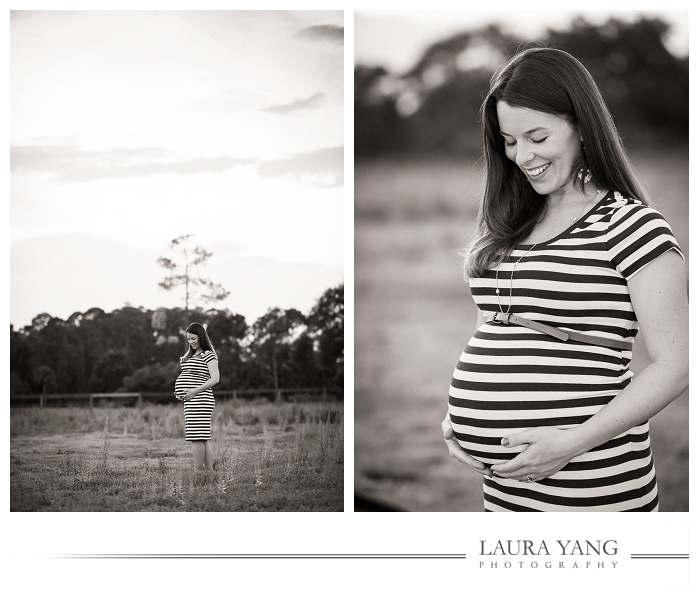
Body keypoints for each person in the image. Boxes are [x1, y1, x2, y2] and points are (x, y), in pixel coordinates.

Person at [441, 47, 688, 512]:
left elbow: (677, 364)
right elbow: (494, 327)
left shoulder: (632, 226)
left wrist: (571, 443)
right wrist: (461, 422)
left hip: (592, 487)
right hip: (505, 489)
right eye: (509, 141)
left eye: (538, 136)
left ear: (581, 125)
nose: (522, 156)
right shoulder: (509, 224)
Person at [175, 322, 220, 472]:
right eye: (188, 339)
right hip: (192, 400)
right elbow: (191, 377)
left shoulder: (209, 354)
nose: (191, 342)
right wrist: (181, 393)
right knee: (202, 437)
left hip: (201, 399)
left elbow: (215, 379)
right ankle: (209, 473)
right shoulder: (191, 355)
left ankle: (197, 473)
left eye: (193, 339)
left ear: (201, 337)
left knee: (196, 437)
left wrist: (194, 391)